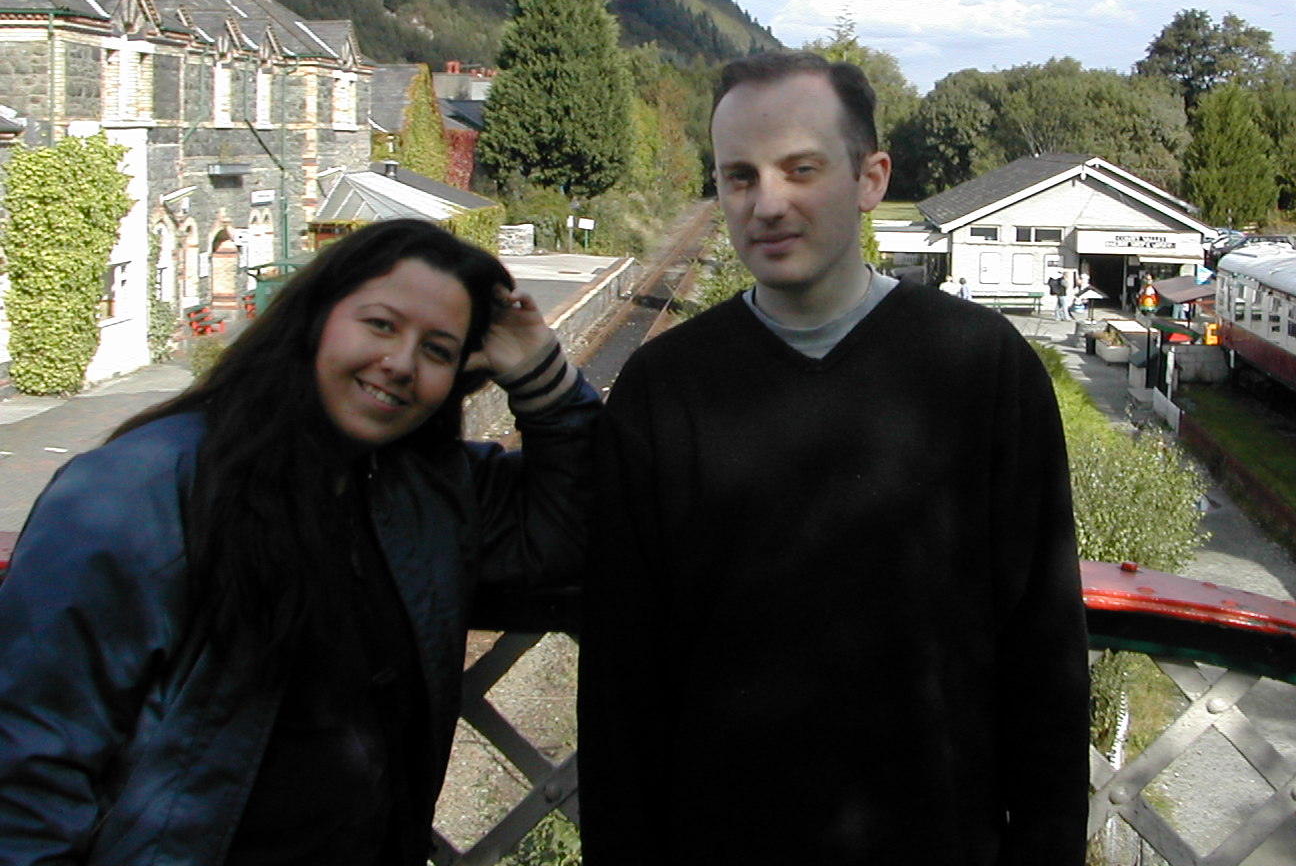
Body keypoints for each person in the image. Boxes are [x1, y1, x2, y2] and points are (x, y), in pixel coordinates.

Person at [580, 51, 1088, 864]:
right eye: (739, 177)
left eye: (801, 169)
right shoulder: (663, 390)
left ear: (870, 178)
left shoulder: (982, 369)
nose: (766, 203)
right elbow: (622, 680)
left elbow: (1044, 650)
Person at [0, 218, 598, 865]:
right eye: (380, 325)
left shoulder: (423, 489)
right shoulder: (137, 490)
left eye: (436, 350)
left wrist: (541, 373)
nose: (400, 363)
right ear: (315, 317)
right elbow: (29, 764)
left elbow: (579, 527)